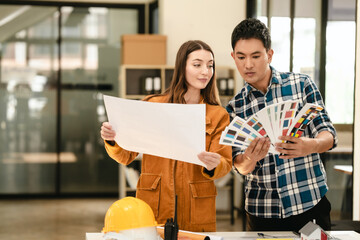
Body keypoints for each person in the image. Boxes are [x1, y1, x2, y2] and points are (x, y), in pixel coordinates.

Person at [100, 40, 232, 232]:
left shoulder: (218, 115)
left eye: (210, 65)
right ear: (182, 67)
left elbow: (225, 163)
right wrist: (112, 139)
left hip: (196, 208)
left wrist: (214, 165)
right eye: (197, 65)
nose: (205, 71)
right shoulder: (153, 105)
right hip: (155, 202)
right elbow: (125, 156)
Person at [226, 18, 338, 232]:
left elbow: (328, 135)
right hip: (263, 212)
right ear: (233, 57)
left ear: (269, 54)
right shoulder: (234, 108)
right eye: (241, 57)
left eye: (256, 56)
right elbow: (238, 165)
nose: (248, 64)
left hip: (309, 204)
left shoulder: (302, 85)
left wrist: (310, 145)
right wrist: (250, 158)